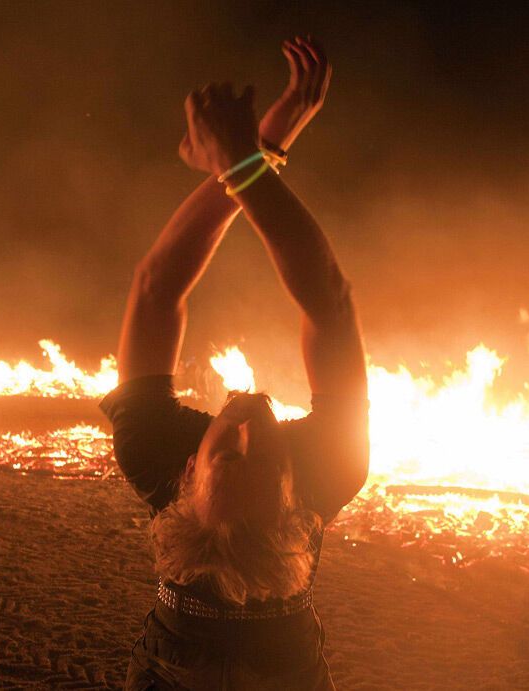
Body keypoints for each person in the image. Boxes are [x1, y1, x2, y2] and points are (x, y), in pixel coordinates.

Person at [99, 36, 369, 690]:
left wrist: (251, 155)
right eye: (269, 456)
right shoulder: (329, 469)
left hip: (171, 665)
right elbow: (330, 303)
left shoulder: (154, 454)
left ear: (188, 477)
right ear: (292, 491)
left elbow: (156, 286)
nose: (250, 424)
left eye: (228, 453)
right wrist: (249, 158)